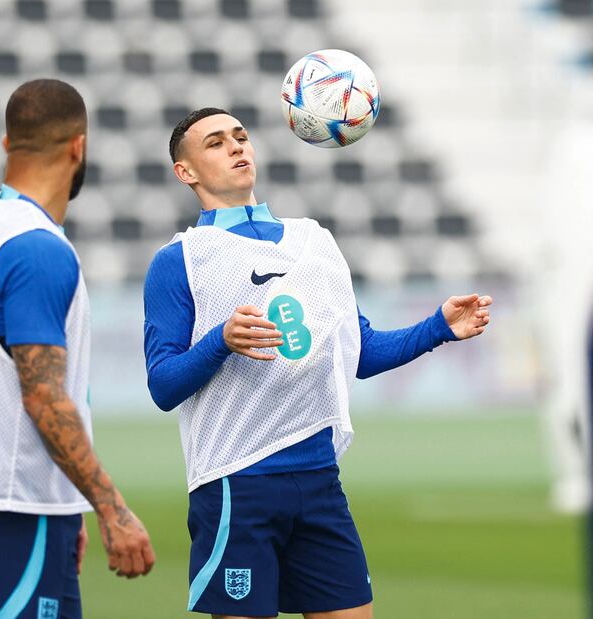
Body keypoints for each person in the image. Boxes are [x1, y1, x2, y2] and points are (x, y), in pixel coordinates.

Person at [143, 107, 492, 619]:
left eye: (241, 136)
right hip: (236, 484)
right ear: (185, 172)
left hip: (319, 480)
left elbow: (361, 352)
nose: (237, 147)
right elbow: (163, 385)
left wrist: (437, 327)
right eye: (216, 143)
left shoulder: (316, 240)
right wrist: (220, 339)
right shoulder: (180, 261)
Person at [0, 79, 155, 619]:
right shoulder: (36, 250)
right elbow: (44, 398)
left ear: (8, 145)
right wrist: (111, 509)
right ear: (79, 146)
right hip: (12, 504)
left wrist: (66, 505)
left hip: (13, 501)